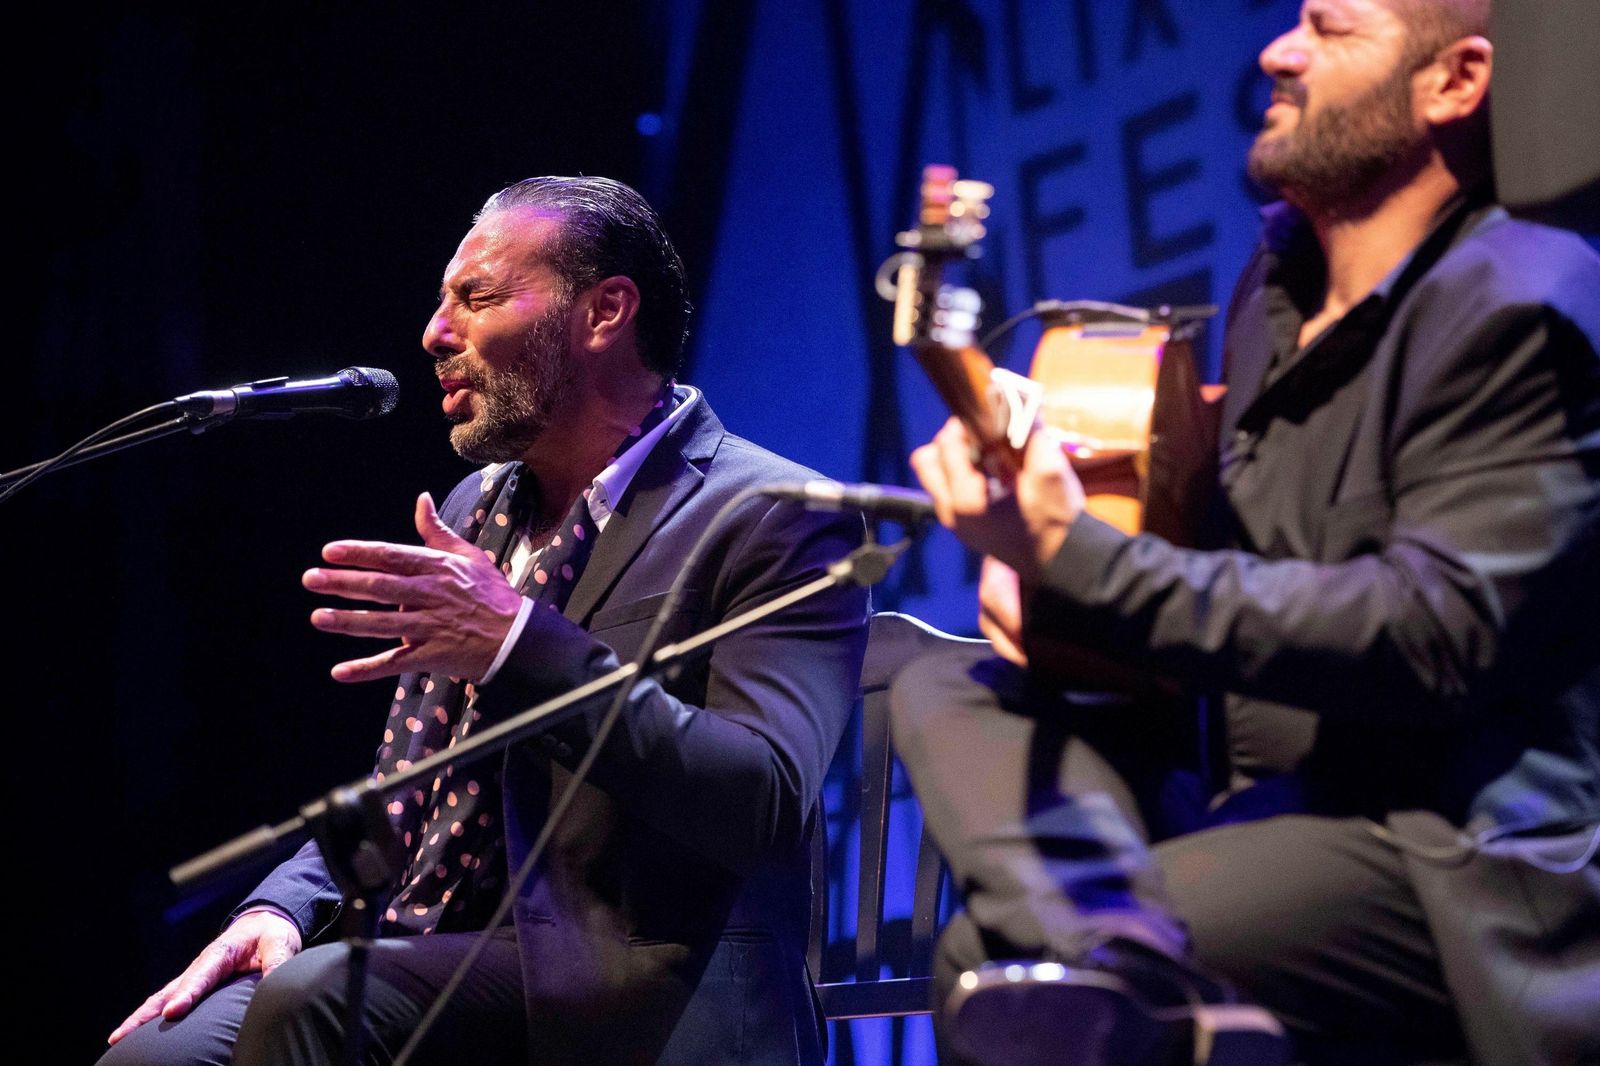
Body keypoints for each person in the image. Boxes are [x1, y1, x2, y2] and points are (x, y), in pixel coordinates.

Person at [893, 1, 1600, 1063]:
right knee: (937, 681)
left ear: (1452, 81)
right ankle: (1123, 958)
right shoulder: (1269, 294)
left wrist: (1080, 561)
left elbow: (1431, 632)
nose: (1277, 49)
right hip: (1252, 788)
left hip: (1434, 838)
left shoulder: (1524, 300)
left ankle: (1116, 973)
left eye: (1330, 28)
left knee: (985, 966)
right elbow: (1230, 559)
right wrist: (1050, 579)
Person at [102, 176, 870, 1066]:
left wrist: (519, 644)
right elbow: (419, 784)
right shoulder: (479, 508)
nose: (434, 334)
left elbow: (763, 799)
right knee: (152, 1056)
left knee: (317, 1004)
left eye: (476, 298)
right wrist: (291, 901)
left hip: (634, 983)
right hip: (431, 948)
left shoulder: (774, 513)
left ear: (603, 313)